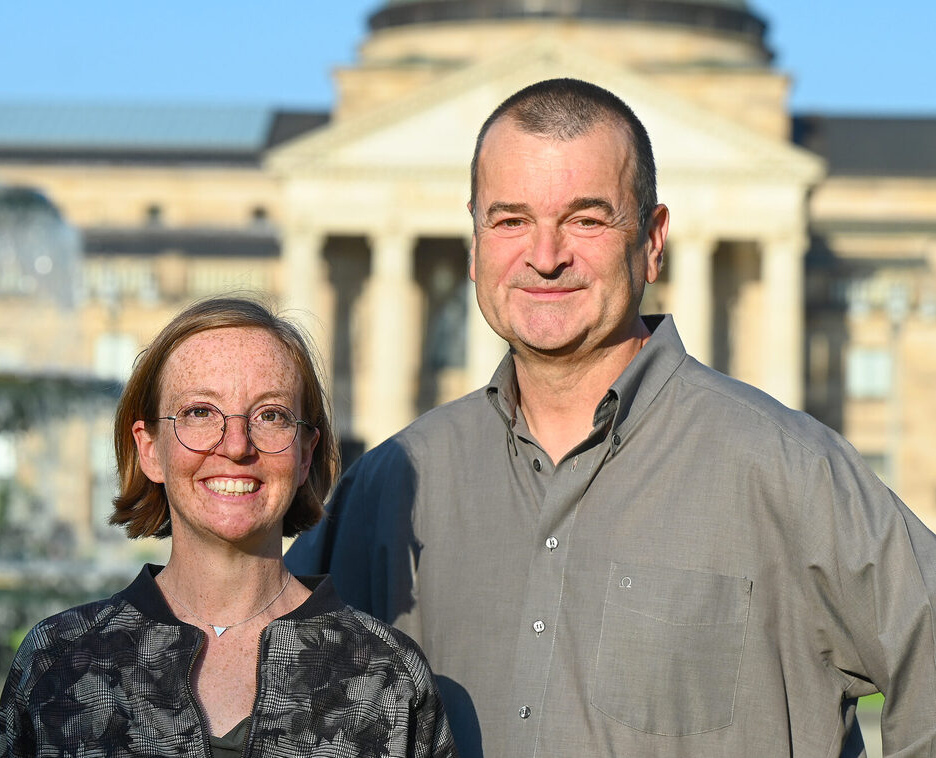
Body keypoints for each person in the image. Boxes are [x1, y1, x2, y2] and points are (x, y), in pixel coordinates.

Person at [287, 79, 936, 757]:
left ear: (652, 241)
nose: (544, 256)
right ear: (473, 245)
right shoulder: (393, 481)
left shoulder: (787, 469)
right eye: (510, 219)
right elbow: (262, 664)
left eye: (586, 219)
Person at [0, 297, 457, 758]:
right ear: (150, 448)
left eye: (269, 415)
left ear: (305, 453)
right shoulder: (60, 663)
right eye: (199, 412)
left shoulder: (387, 677)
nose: (235, 445)